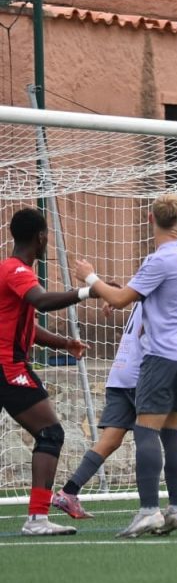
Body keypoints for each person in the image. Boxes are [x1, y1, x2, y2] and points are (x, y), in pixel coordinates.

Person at [75, 194, 177, 537]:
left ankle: (149, 511)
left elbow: (122, 298)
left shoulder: (157, 260)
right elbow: (156, 293)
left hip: (165, 357)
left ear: (150, 219)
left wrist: (90, 278)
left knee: (147, 431)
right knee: (173, 430)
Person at [52, 300, 177, 519]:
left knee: (110, 440)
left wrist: (115, 298)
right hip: (141, 375)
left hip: (120, 373)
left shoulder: (147, 291)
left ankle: (68, 492)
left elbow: (132, 296)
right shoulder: (166, 294)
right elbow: (147, 331)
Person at [2, 208, 91, 536]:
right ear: (41, 237)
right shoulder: (17, 271)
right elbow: (41, 302)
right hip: (8, 366)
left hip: (9, 364)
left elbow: (29, 327)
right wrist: (87, 291)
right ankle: (37, 519)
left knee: (49, 433)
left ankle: (38, 518)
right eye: (47, 235)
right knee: (50, 433)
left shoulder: (13, 271)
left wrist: (65, 343)